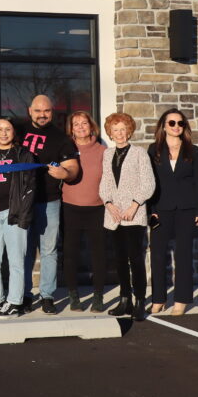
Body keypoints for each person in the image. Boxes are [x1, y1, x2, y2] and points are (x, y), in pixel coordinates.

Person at [18, 95, 79, 314]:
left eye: (47, 111)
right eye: (38, 111)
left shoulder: (61, 138)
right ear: (29, 111)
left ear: (52, 112)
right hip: (20, 202)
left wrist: (66, 173)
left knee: (49, 250)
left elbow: (73, 168)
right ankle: (23, 295)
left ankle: (47, 296)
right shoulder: (17, 132)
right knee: (23, 251)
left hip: (49, 202)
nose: (42, 115)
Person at [148, 109, 198, 317]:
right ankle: (158, 299)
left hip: (186, 209)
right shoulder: (153, 150)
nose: (176, 127)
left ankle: (181, 300)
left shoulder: (194, 151)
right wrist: (151, 210)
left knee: (183, 256)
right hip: (161, 210)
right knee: (157, 256)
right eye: (171, 123)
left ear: (184, 127)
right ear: (163, 126)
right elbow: (150, 184)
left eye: (180, 123)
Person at [98, 112, 156, 322]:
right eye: (116, 130)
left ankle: (140, 301)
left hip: (134, 214)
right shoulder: (107, 154)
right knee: (120, 260)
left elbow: (148, 183)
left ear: (129, 131)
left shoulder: (140, 153)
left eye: (123, 129)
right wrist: (108, 203)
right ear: (110, 133)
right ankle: (125, 300)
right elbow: (105, 183)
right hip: (114, 215)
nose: (120, 133)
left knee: (136, 258)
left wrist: (134, 205)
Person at [0, 119, 36, 319]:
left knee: (16, 261)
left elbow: (30, 188)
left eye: (7, 129)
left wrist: (22, 214)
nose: (3, 133)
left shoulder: (24, 155)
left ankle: (15, 302)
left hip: (14, 214)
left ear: (14, 132)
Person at [62, 110, 107, 312]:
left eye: (84, 123)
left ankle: (98, 296)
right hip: (70, 207)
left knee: (98, 254)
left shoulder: (103, 151)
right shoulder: (65, 148)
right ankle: (74, 296)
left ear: (91, 126)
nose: (80, 127)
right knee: (70, 254)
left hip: (96, 208)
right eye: (76, 124)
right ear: (71, 129)